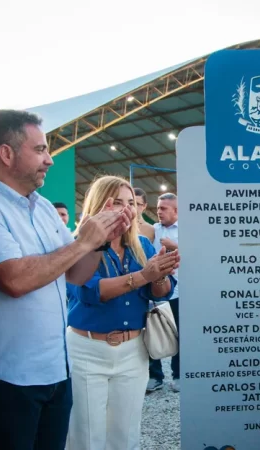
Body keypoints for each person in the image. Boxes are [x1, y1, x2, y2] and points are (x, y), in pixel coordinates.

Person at [0, 109, 133, 450]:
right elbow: (15, 280)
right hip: (8, 375)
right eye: (40, 150)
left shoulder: (45, 207)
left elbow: (76, 274)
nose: (49, 160)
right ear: (6, 153)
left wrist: (102, 239)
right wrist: (83, 241)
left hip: (55, 370)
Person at [66, 176, 179, 450]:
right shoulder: (78, 245)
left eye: (131, 203)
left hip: (133, 349)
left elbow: (160, 292)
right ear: (98, 206)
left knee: (126, 432)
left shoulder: (142, 244)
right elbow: (89, 292)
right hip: (87, 350)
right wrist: (144, 275)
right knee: (86, 433)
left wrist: (161, 274)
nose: (127, 209)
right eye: (117, 202)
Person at [147, 193, 181, 392]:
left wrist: (175, 247)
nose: (159, 212)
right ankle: (155, 376)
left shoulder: (187, 230)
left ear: (176, 210)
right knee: (153, 331)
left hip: (179, 292)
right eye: (158, 208)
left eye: (163, 208)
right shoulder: (152, 231)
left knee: (180, 335)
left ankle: (178, 375)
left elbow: (199, 255)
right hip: (156, 292)